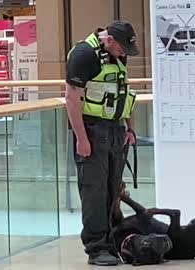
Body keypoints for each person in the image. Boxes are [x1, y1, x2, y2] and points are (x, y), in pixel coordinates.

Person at [65, 20, 140, 266]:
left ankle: (113, 240)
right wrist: (82, 138)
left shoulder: (117, 55)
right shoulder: (84, 55)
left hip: (116, 132)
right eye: (122, 50)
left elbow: (125, 92)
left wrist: (130, 129)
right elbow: (72, 98)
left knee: (113, 190)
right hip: (92, 131)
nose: (124, 55)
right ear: (109, 40)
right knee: (94, 191)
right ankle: (97, 247)